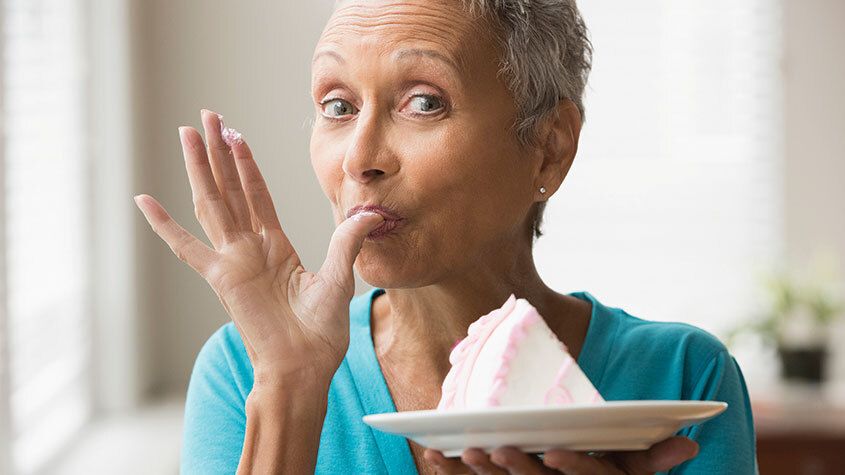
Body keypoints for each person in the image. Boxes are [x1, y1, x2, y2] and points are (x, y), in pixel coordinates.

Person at [133, 0, 758, 473]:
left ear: (548, 147)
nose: (361, 158)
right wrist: (291, 388)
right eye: (338, 105)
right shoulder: (247, 371)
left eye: (424, 102)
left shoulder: (682, 377)